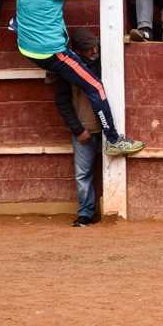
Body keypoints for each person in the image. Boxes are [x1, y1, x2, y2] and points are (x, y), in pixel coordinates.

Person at [15, 0, 144, 158]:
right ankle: (113, 140)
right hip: (52, 52)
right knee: (96, 87)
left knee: (68, 78)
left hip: (28, 49)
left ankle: (54, 71)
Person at [53, 28, 106, 227]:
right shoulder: (66, 70)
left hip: (107, 128)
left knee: (85, 173)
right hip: (85, 129)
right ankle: (86, 213)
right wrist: (77, 129)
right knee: (83, 174)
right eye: (88, 49)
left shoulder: (105, 60)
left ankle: (97, 211)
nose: (94, 51)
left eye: (94, 46)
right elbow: (62, 102)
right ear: (77, 51)